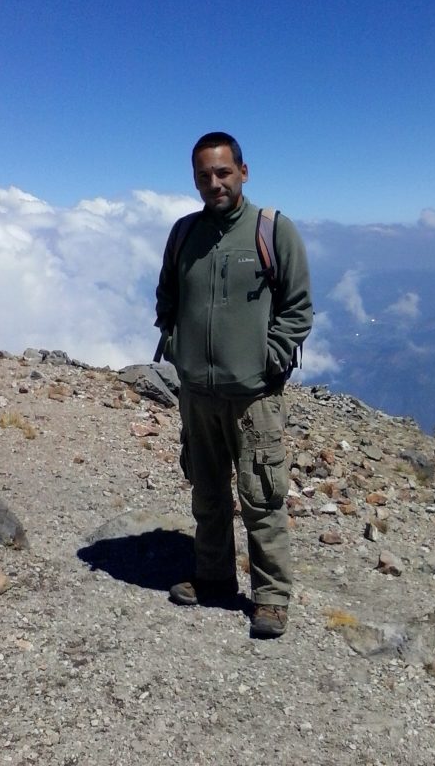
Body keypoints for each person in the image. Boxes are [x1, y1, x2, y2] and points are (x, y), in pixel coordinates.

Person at [155, 132, 312, 637]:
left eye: (223, 172)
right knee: (208, 493)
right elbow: (167, 296)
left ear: (244, 172)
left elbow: (298, 307)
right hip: (197, 394)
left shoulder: (272, 231)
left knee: (261, 497)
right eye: (204, 175)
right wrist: (176, 344)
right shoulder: (184, 234)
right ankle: (214, 577)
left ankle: (270, 597)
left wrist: (270, 359)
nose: (214, 183)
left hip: (254, 396)